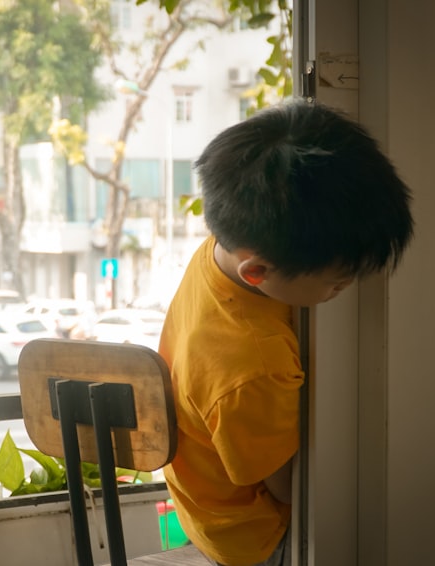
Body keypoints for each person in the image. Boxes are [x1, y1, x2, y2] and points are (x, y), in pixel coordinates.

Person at [158, 99, 414, 566]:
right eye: (337, 282)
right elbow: (289, 486)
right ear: (258, 271)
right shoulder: (251, 365)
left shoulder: (222, 251)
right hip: (253, 536)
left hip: (205, 507)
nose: (347, 288)